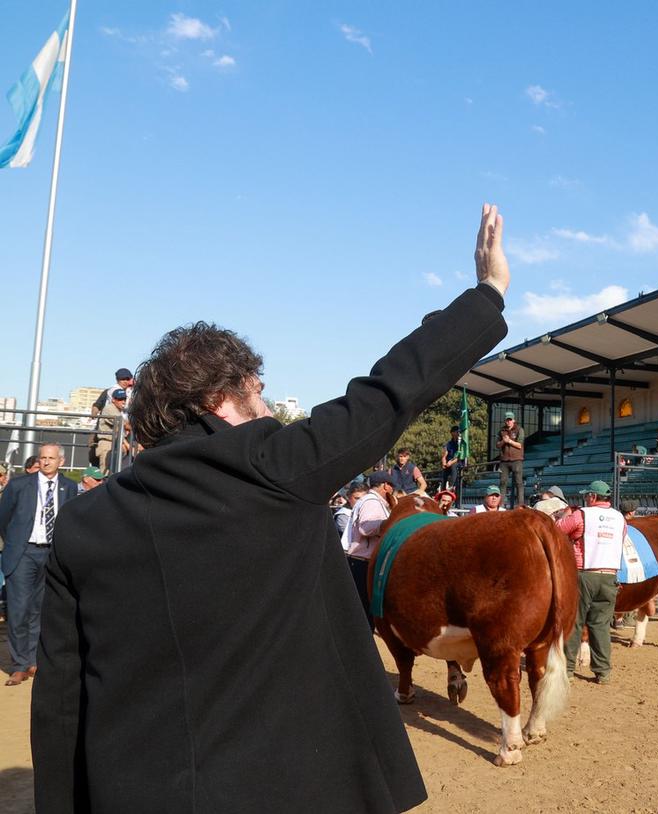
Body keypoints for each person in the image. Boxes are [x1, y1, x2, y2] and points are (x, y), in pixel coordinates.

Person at [32, 203, 510, 813]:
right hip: (293, 786)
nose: (270, 411)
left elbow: (60, 700)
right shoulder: (275, 466)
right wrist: (488, 292)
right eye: (258, 394)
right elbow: (392, 389)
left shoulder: (81, 523)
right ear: (219, 402)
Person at [0, 443, 80, 686]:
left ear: (61, 462)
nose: (45, 462)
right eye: (42, 458)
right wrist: (16, 543)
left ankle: (35, 660)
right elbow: (3, 519)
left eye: (51, 458)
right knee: (18, 609)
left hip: (51, 554)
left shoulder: (68, 487)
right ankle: (19, 664)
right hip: (23, 553)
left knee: (41, 609)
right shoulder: (18, 485)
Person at [558, 480, 623, 684]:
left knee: (574, 621)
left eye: (588, 495)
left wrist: (565, 515)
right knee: (601, 624)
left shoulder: (582, 514)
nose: (586, 498)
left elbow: (559, 529)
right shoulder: (620, 518)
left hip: (584, 573)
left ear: (593, 497)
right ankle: (603, 671)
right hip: (610, 575)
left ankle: (568, 669)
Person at [344, 471, 393, 623]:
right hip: (362, 563)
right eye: (391, 485)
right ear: (385, 485)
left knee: (362, 612)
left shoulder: (370, 500)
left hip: (361, 561)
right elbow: (366, 527)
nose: (392, 489)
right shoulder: (372, 501)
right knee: (363, 614)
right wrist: (390, 525)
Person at [94, 387, 131, 475]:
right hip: (108, 444)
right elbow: (125, 425)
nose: (123, 401)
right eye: (120, 399)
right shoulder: (109, 408)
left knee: (115, 474)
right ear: (113, 400)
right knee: (105, 474)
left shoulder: (120, 411)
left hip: (117, 444)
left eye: (124, 399)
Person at [496, 410, 524, 508]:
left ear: (513, 420)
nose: (508, 421)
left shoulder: (519, 429)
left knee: (518, 482)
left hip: (517, 459)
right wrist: (503, 441)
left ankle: (520, 504)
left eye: (510, 419)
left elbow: (520, 445)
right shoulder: (501, 431)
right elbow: (497, 445)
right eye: (507, 420)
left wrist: (509, 441)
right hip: (504, 460)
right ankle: (501, 504)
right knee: (502, 482)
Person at [440, 425, 464, 493]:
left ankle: (451, 486)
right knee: (444, 471)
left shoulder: (461, 444)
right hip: (449, 463)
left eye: (459, 432)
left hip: (458, 462)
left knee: (454, 466)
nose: (458, 433)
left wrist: (451, 462)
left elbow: (460, 456)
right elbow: (444, 455)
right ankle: (443, 490)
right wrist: (444, 463)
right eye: (457, 432)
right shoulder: (448, 444)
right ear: (452, 433)